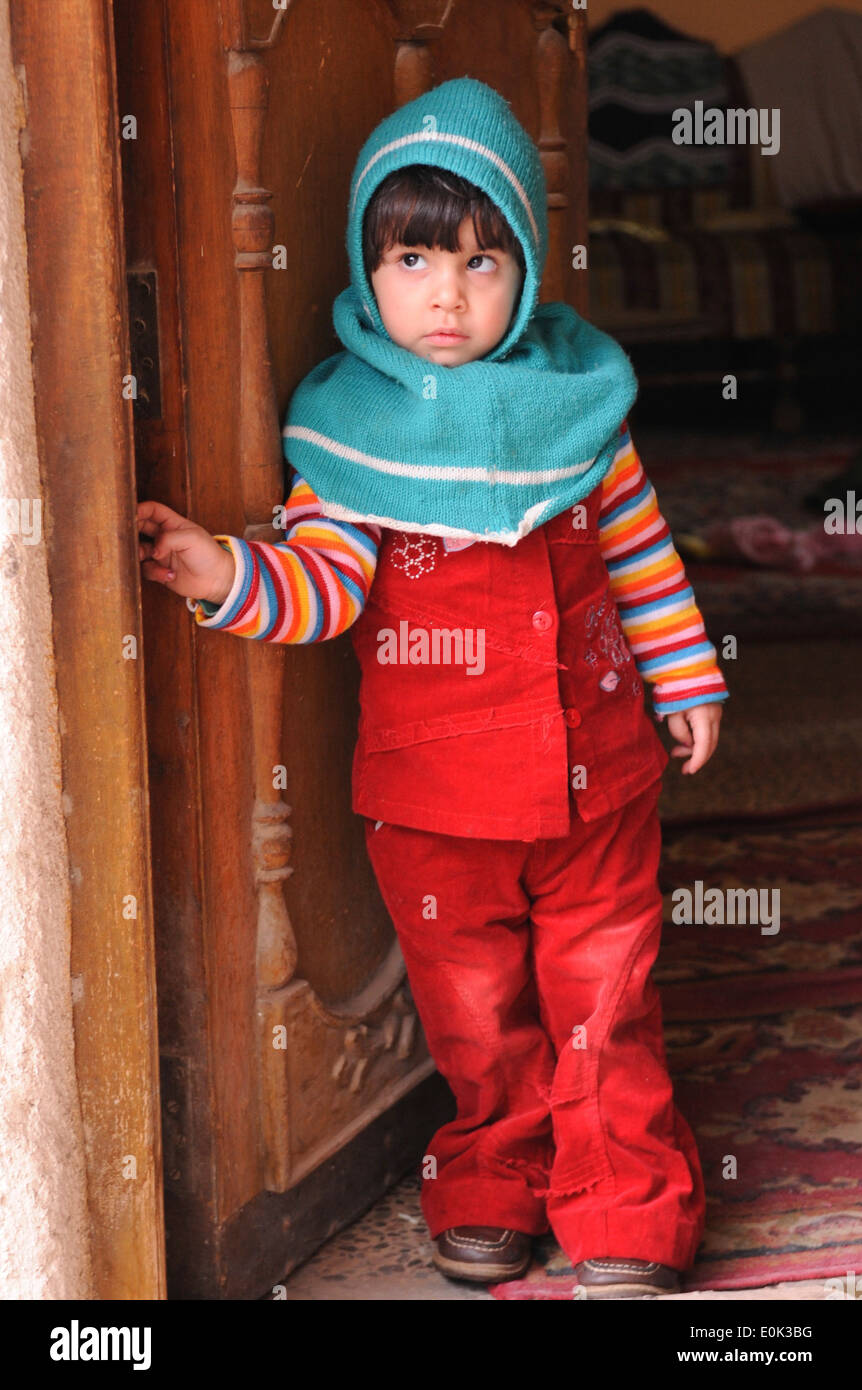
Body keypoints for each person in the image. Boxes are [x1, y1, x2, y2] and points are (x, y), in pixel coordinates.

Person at [138, 78, 728, 1299]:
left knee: (602, 998)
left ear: (529, 268)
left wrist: (685, 674)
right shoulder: (350, 430)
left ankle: (626, 1204)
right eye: (413, 258)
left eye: (482, 261)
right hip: (435, 803)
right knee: (476, 1015)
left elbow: (640, 554)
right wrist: (218, 572)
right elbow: (323, 588)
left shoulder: (579, 409)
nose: (447, 296)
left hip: (596, 780)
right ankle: (494, 1180)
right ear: (368, 264)